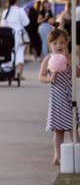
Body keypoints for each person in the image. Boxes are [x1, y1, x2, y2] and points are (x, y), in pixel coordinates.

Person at [38, 29, 78, 167]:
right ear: (50, 45)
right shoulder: (48, 59)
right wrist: (50, 79)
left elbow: (78, 73)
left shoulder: (69, 57)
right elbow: (41, 76)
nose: (59, 45)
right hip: (57, 97)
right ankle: (57, 156)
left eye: (61, 42)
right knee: (58, 129)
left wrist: (68, 59)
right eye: (55, 43)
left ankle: (77, 152)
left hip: (70, 96)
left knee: (74, 126)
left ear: (67, 43)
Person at [0, 0, 29, 82]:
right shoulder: (20, 10)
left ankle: (9, 73)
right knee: (20, 53)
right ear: (16, 2)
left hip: (8, 36)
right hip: (19, 36)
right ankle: (19, 73)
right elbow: (27, 22)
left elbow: (2, 25)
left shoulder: (5, 12)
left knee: (10, 54)